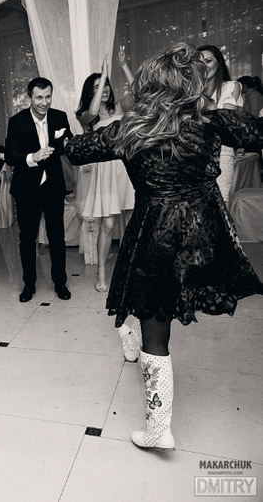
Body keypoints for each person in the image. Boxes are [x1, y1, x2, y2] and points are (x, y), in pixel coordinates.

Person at [65, 43, 263, 452]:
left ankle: (158, 428)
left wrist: (67, 139)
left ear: (149, 86)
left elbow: (77, 150)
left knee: (155, 324)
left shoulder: (131, 129)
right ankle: (132, 339)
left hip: (155, 232)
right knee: (158, 303)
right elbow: (255, 132)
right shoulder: (210, 120)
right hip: (204, 233)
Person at [5, 77, 74, 303]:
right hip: (27, 189)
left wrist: (71, 145)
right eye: (39, 98)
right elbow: (10, 155)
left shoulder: (60, 117)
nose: (44, 102)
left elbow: (69, 143)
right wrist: (32, 157)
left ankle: (60, 283)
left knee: (57, 237)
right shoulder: (17, 122)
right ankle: (29, 285)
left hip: (53, 187)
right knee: (27, 238)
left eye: (48, 97)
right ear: (30, 97)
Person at [75, 52, 136, 293]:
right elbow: (91, 112)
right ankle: (101, 271)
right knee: (108, 225)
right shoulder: (86, 117)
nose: (105, 89)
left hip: (126, 169)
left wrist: (124, 66)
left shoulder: (119, 107)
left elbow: (141, 94)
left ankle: (128, 270)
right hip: (105, 173)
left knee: (130, 224)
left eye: (107, 84)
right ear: (91, 92)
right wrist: (103, 75)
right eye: (98, 86)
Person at [197, 45, 243, 201]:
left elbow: (225, 120)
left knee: (220, 200)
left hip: (221, 151)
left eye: (208, 61)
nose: (204, 66)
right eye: (200, 62)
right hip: (195, 152)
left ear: (219, 63)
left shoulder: (231, 86)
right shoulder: (194, 92)